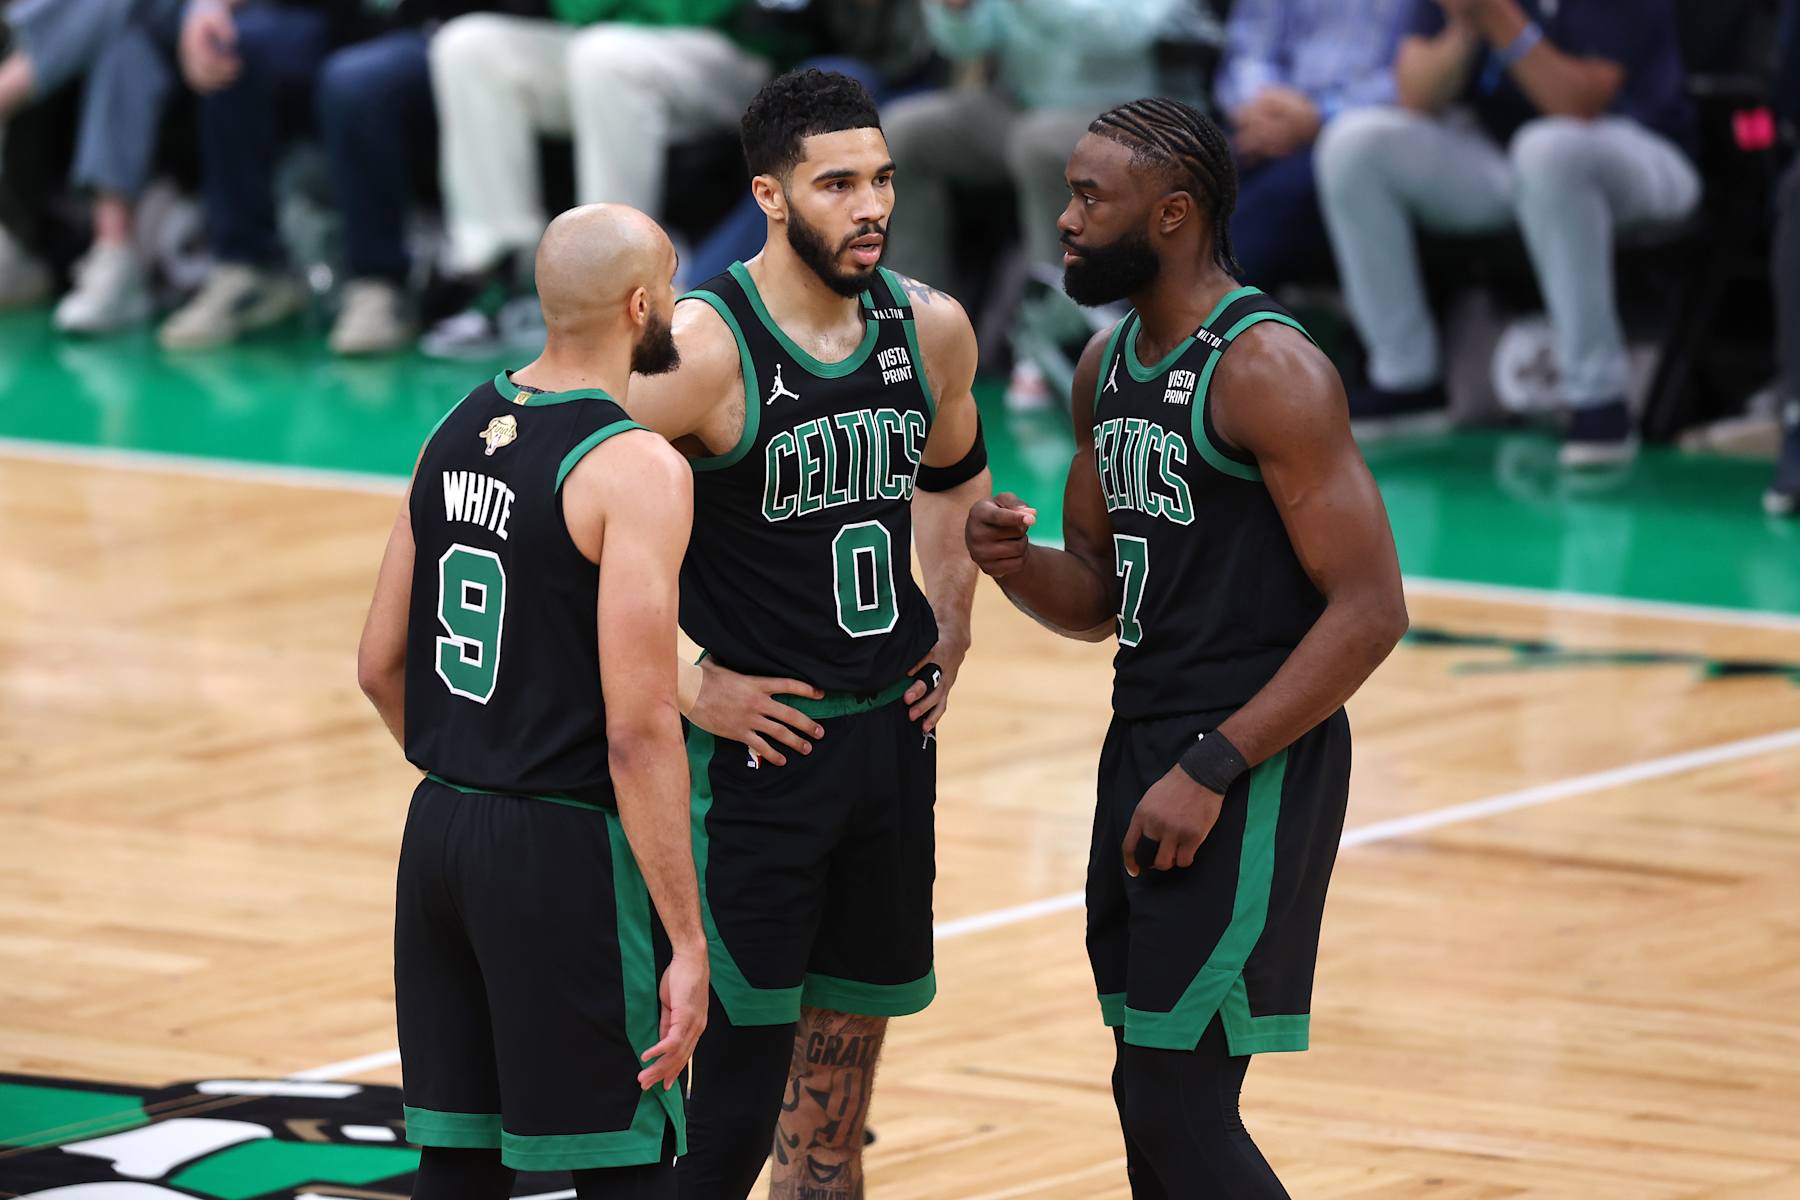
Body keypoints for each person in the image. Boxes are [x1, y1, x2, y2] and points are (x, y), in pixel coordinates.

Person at [965, 98, 1408, 1196]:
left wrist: (1213, 766)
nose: (1063, 220)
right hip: (1145, 741)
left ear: (1170, 215)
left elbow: (1369, 608)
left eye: (1087, 198)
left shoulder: (1268, 371)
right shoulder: (1103, 369)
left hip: (1247, 760)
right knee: (1144, 1094)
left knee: (1175, 1097)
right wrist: (1015, 565)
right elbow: (1098, 600)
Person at [623, 69, 990, 1200]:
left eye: (882, 179)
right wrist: (686, 685)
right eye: (838, 184)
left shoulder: (928, 328)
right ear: (772, 198)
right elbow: (555, 524)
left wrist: (953, 621)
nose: (871, 204)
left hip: (887, 748)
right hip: (756, 769)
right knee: (726, 1118)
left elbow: (955, 475)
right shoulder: (701, 352)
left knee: (830, 1134)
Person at [355, 203, 705, 1198]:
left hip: (442, 835)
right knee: (622, 1162)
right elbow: (640, 731)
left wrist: (479, 763)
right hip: (562, 855)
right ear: (640, 304)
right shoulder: (635, 467)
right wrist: (685, 939)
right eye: (672, 285)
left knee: (458, 1167)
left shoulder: (450, 426)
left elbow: (380, 662)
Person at [1315, 0, 1700, 466]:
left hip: (1640, 152)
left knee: (1547, 151)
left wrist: (1496, 14)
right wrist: (1463, 26)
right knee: (1354, 145)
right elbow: (1415, 95)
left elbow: (1577, 103)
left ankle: (1598, 397)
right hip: (1505, 157)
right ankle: (1406, 380)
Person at [420, 0, 769, 358]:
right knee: (470, 46)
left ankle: (617, 279)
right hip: (603, 44)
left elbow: (693, 10)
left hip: (732, 50)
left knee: (604, 56)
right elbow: (576, 10)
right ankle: (499, 272)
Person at [1214, 0, 1412, 289]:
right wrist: (1263, 110)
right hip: (1262, 117)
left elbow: (1414, 80)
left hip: (1358, 130)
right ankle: (1144, 314)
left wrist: (1320, 116)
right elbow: (1249, 51)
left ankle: (1192, 324)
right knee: (1194, 170)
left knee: (1278, 196)